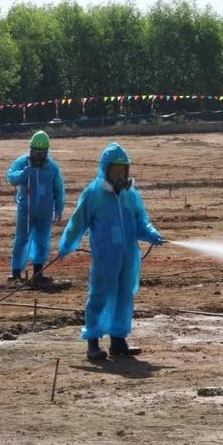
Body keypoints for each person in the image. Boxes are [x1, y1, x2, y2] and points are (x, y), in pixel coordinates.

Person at [58, 142, 164, 361]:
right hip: (106, 257)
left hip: (128, 258)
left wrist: (151, 233)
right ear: (105, 169)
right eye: (116, 170)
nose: (120, 175)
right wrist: (67, 245)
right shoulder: (93, 194)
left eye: (123, 170)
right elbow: (77, 222)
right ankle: (93, 343)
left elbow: (140, 220)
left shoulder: (130, 195)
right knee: (100, 296)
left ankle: (118, 341)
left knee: (125, 296)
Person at [6, 131, 65, 286]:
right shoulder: (22, 163)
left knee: (42, 241)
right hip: (26, 210)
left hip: (45, 213)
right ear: (30, 151)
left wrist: (59, 207)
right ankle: (16, 272)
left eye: (41, 154)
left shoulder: (52, 168)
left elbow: (59, 189)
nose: (38, 157)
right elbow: (11, 178)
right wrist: (24, 173)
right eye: (35, 153)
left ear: (46, 153)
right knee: (22, 240)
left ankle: (38, 272)